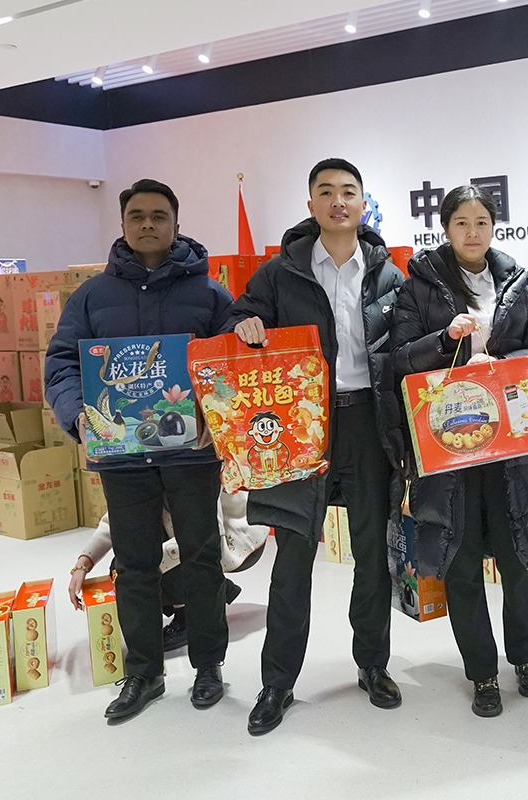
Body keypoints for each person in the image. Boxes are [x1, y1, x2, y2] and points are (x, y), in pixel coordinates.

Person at [44, 178, 235, 722]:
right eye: (137, 216)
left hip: (192, 453)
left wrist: (216, 414)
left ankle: (208, 665)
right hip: (123, 456)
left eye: (158, 216)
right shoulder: (92, 297)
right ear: (123, 223)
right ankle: (144, 672)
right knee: (133, 565)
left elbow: (230, 364)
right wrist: (77, 416)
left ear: (176, 223)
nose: (148, 224)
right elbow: (61, 364)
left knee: (202, 557)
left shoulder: (210, 294)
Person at [231, 158, 406, 735]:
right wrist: (246, 325)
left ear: (363, 204)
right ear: (310, 205)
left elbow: (405, 346)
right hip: (300, 424)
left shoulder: (387, 274)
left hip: (366, 424)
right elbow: (241, 316)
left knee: (371, 554)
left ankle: (373, 665)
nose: (338, 201)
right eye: (326, 192)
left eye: (348, 192)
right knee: (294, 556)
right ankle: (277, 683)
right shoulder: (280, 272)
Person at [391, 184, 528, 718]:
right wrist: (445, 342)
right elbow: (400, 358)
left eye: (481, 221)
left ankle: (526, 659)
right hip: (449, 444)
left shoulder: (516, 281)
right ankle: (482, 672)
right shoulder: (420, 286)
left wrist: (503, 367)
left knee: (519, 555)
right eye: (461, 222)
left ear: (493, 226)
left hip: (509, 445)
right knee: (460, 564)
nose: (472, 232)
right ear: (445, 228)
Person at [68, 491, 268, 651]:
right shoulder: (144, 466)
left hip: (235, 539)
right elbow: (119, 518)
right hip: (187, 533)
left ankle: (186, 618)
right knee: (128, 558)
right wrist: (84, 562)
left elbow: (204, 536)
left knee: (137, 565)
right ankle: (213, 588)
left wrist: (144, 568)